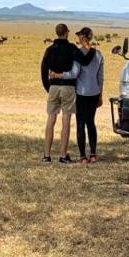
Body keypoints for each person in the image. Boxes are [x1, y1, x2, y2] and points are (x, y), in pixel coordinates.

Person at [40, 23, 79, 163]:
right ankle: (63, 155)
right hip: (68, 87)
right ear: (67, 32)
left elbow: (43, 70)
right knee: (66, 120)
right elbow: (79, 68)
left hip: (53, 87)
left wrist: (48, 87)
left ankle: (46, 155)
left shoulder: (50, 49)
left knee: (51, 119)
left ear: (56, 33)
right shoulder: (73, 49)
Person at [72, 26, 104, 163]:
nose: (78, 38)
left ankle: (82, 156)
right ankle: (93, 154)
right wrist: (100, 95)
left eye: (79, 36)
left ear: (83, 37)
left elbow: (74, 73)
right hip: (94, 92)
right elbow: (100, 77)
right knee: (91, 123)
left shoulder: (78, 54)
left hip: (81, 93)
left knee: (80, 123)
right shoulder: (98, 54)